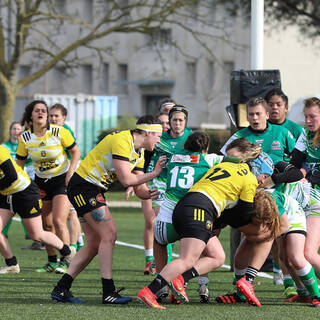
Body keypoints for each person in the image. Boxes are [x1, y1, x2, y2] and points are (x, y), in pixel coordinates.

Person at [50, 116, 166, 305]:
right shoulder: (123, 140)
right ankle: (108, 292)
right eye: (158, 136)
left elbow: (140, 189)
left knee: (95, 243)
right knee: (110, 235)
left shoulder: (140, 151)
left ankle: (61, 289)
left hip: (90, 189)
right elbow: (126, 180)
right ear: (147, 132)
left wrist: (154, 193)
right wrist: (154, 173)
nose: (160, 140)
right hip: (84, 187)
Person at [137, 138, 263, 309]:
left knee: (217, 257)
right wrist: (254, 225)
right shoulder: (248, 177)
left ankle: (180, 280)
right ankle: (150, 291)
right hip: (199, 210)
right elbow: (245, 212)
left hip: (188, 206)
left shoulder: (221, 164)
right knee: (187, 259)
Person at [16, 100, 81, 273]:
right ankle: (52, 261)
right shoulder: (25, 138)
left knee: (59, 220)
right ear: (31, 115)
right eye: (37, 110)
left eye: (44, 110)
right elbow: (20, 163)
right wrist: (18, 184)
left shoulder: (59, 132)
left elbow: (76, 151)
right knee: (45, 224)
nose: (41, 113)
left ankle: (66, 260)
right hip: (41, 182)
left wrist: (71, 171)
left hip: (62, 180)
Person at [0, 145, 76, 274]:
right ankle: (12, 264)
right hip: (6, 195)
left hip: (25, 193)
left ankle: (68, 252)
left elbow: (11, 176)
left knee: (36, 234)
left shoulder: (1, 151)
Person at [143, 105, 191, 274]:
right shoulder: (159, 139)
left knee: (186, 226)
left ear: (185, 122)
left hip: (183, 186)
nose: (177, 123)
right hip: (161, 183)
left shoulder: (191, 138)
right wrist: (140, 181)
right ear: (169, 122)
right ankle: (164, 267)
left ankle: (185, 264)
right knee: (162, 223)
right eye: (174, 120)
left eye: (181, 120)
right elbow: (145, 158)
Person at [290, 97, 320, 282]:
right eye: (306, 116)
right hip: (310, 197)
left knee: (308, 253)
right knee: (297, 253)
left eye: (313, 116)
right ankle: (305, 292)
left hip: (316, 200)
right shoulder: (305, 135)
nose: (308, 121)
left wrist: (306, 177)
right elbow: (294, 163)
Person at [50, 103, 84, 252]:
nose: (53, 118)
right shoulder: (49, 132)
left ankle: (73, 247)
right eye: (51, 116)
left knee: (71, 213)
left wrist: (70, 174)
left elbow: (74, 153)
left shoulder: (64, 131)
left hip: (69, 175)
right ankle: (79, 242)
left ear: (64, 118)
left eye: (56, 116)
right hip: (56, 176)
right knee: (66, 215)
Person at [1, 122, 30, 242]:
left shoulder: (25, 144)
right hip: (8, 180)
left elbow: (29, 160)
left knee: (24, 208)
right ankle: (4, 233)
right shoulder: (4, 146)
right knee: (6, 207)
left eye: (19, 129)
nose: (16, 131)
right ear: (10, 131)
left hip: (23, 179)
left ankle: (29, 233)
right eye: (14, 128)